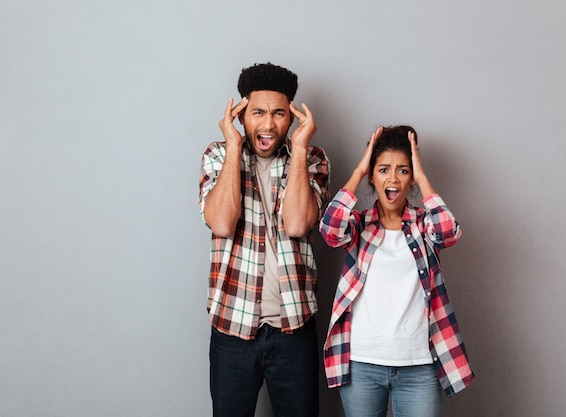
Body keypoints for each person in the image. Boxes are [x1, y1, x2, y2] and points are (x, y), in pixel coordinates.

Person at [199, 62, 330, 417]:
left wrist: (300, 149)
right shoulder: (217, 155)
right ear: (242, 116)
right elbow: (222, 223)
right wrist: (232, 146)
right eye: (258, 113)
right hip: (232, 328)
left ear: (292, 118)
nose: (269, 124)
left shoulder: (313, 159)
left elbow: (299, 223)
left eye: (279, 113)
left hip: (294, 328)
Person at [319, 125, 474, 417]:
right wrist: (361, 167)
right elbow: (330, 229)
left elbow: (447, 232)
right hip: (362, 364)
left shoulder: (422, 225)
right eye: (383, 169)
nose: (393, 178)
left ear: (412, 177)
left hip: (418, 366)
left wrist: (422, 175)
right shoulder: (359, 225)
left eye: (403, 170)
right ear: (372, 176)